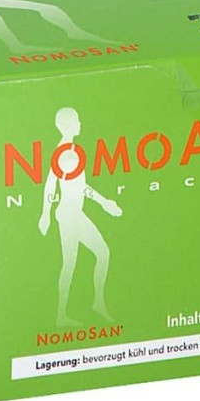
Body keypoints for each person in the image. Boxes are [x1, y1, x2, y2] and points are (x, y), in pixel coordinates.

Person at [38, 108, 122, 327]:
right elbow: (51, 184)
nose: (80, 124)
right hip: (69, 215)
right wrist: (45, 214)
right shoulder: (66, 153)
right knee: (71, 264)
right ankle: (61, 316)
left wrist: (104, 202)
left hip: (74, 213)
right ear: (68, 125)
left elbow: (79, 187)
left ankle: (97, 303)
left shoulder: (70, 149)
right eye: (77, 121)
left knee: (101, 253)